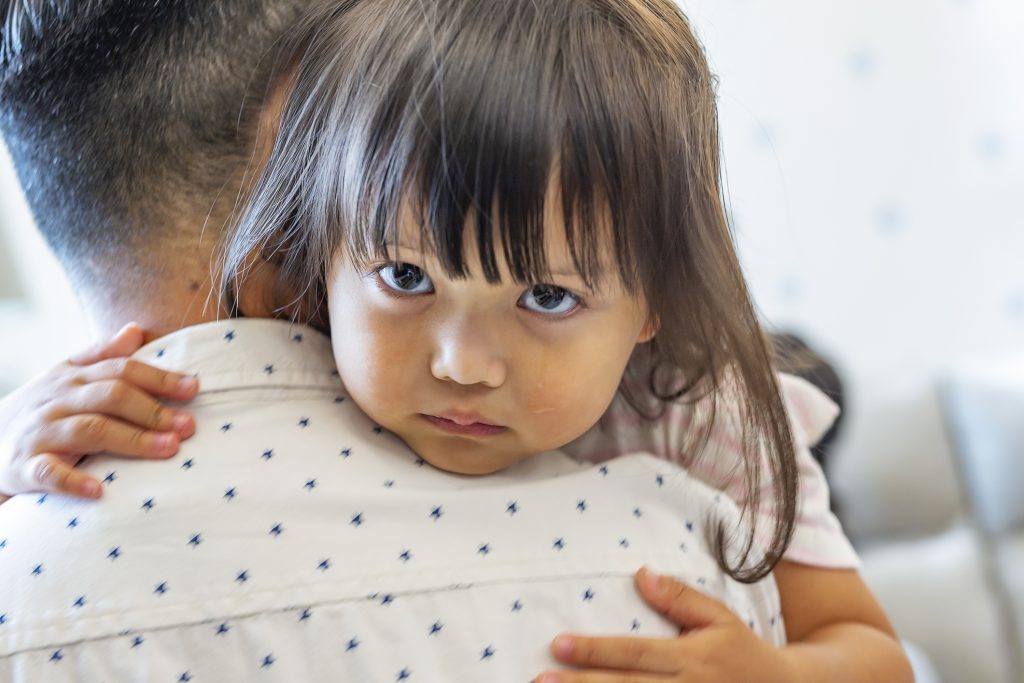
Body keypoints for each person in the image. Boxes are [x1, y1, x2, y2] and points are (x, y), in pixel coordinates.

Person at [0, 0, 913, 681]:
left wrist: (779, 670)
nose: (461, 364)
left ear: (652, 302)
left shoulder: (706, 418)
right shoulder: (305, 341)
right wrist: (17, 446)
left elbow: (875, 650)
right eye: (406, 278)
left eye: (548, 296)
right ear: (315, 258)